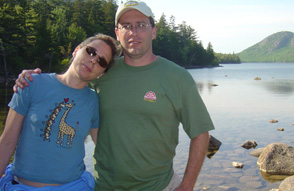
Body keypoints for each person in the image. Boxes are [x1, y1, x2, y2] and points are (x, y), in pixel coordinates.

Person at [12, 0, 215, 190]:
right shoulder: (102, 70)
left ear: (153, 31)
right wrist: (32, 78)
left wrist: (187, 185)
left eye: (141, 25)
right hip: (104, 185)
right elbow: (67, 82)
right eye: (126, 26)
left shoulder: (177, 77)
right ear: (117, 33)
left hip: (158, 185)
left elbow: (200, 133)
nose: (133, 32)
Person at [0, 34, 122, 190]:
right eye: (91, 51)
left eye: (101, 61)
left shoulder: (94, 101)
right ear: (76, 50)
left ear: (101, 73)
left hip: (73, 186)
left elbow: (105, 148)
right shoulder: (31, 83)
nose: (93, 60)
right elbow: (7, 142)